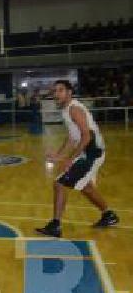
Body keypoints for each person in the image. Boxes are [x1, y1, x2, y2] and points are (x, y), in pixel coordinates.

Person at [35, 80, 119, 237]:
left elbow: (86, 136)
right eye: (55, 91)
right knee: (85, 187)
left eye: (60, 90)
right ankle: (109, 215)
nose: (56, 94)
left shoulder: (74, 109)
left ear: (69, 92)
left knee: (60, 184)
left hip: (93, 153)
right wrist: (59, 155)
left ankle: (56, 225)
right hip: (87, 152)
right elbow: (73, 138)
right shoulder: (66, 110)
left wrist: (69, 159)